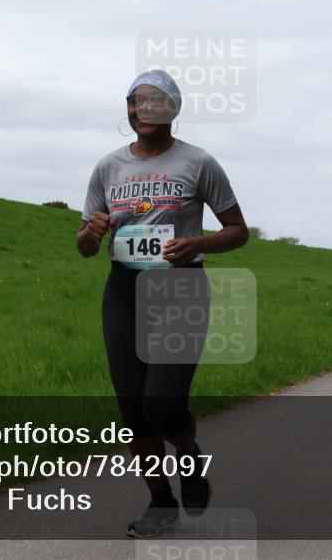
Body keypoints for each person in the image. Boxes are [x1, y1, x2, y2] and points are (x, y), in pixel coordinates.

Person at [77, 69, 249, 538]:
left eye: (154, 101)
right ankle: (160, 502)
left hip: (179, 291)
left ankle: (189, 461)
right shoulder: (107, 168)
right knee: (134, 414)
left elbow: (238, 231)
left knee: (165, 408)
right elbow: (86, 245)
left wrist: (198, 244)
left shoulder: (198, 163)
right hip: (123, 293)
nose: (143, 110)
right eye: (136, 102)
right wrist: (88, 236)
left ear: (173, 108)